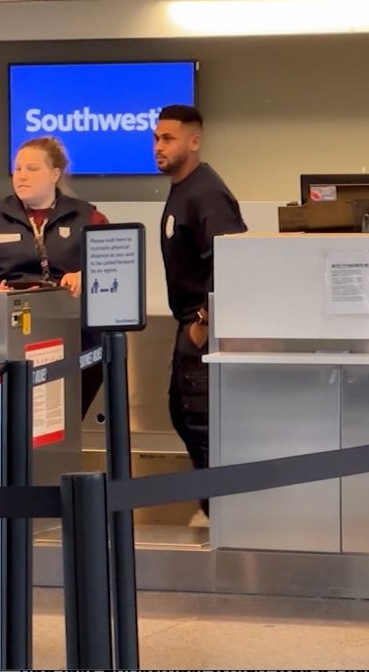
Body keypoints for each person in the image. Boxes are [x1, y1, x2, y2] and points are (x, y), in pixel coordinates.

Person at [154, 105, 248, 525]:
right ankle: (214, 515)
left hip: (202, 329)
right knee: (186, 419)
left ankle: (226, 523)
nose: (159, 147)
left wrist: (203, 327)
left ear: (194, 141)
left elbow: (231, 261)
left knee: (205, 429)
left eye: (168, 139)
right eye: (156, 138)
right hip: (189, 326)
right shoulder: (183, 189)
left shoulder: (206, 192)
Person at [0, 136, 109, 417]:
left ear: (55, 174)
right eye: (18, 168)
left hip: (76, 336)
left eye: (32, 168)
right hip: (10, 337)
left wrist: (87, 276)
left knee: (64, 416)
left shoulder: (89, 217)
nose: (21, 175)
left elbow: (111, 271)